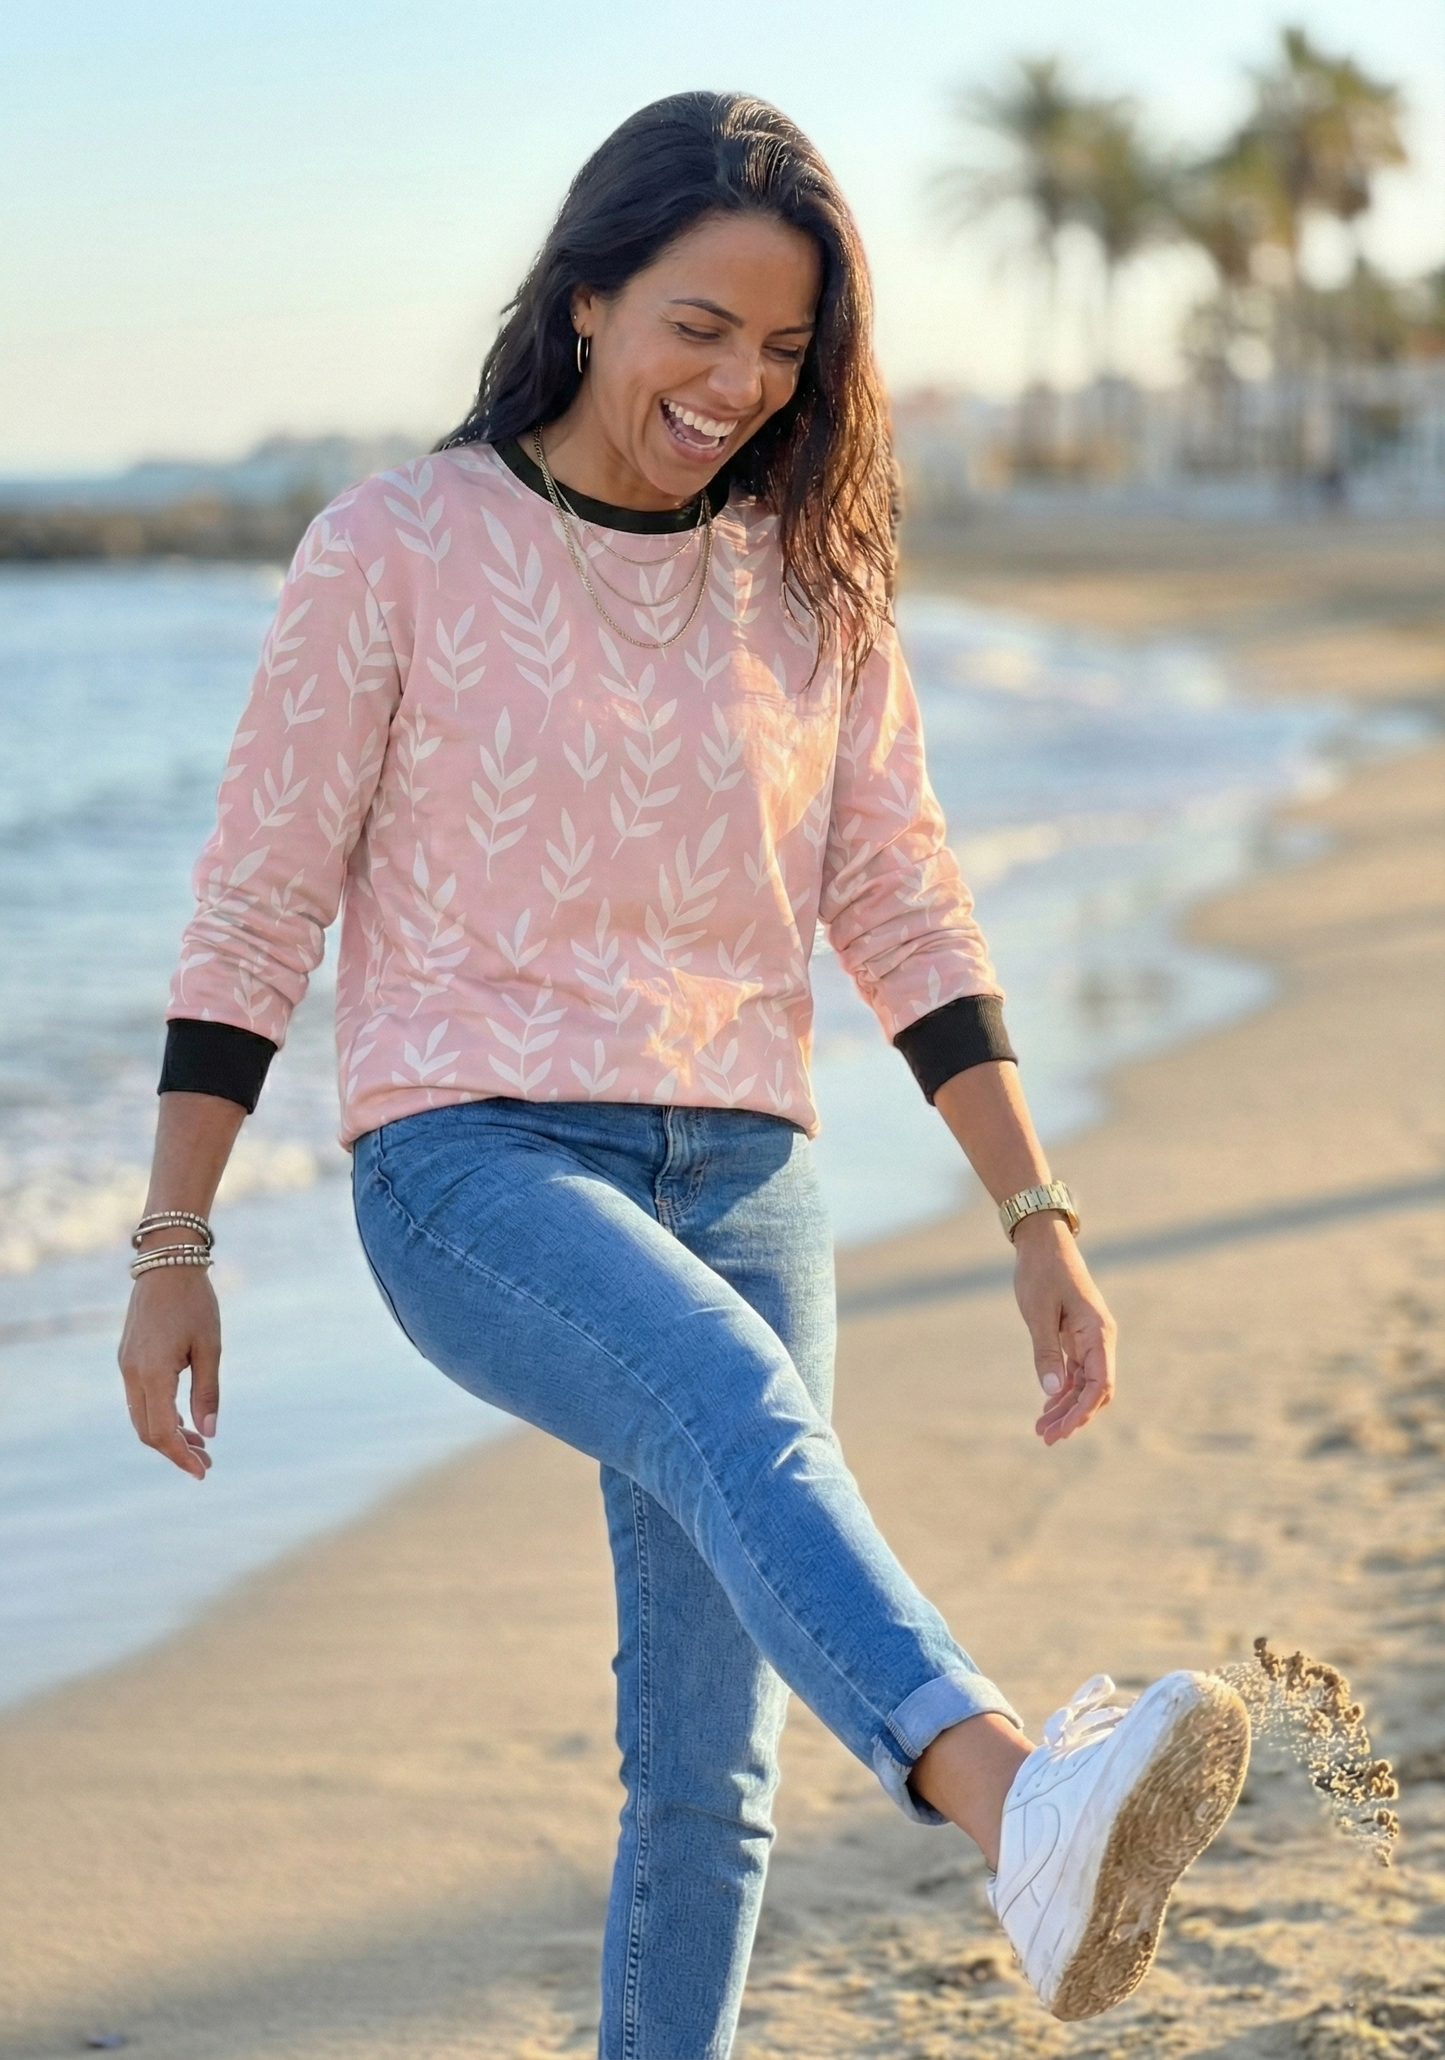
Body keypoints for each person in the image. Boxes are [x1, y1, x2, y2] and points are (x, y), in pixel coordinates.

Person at [118, 91, 1248, 2051]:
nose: (738, 383)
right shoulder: (393, 546)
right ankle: (1013, 1799)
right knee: (730, 1387)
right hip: (470, 1163)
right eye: (696, 326)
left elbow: (899, 907)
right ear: (583, 302)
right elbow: (257, 902)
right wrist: (168, 1240)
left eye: (785, 348)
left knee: (708, 1771)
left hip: (746, 1164)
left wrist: (1031, 1206)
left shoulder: (806, 582)